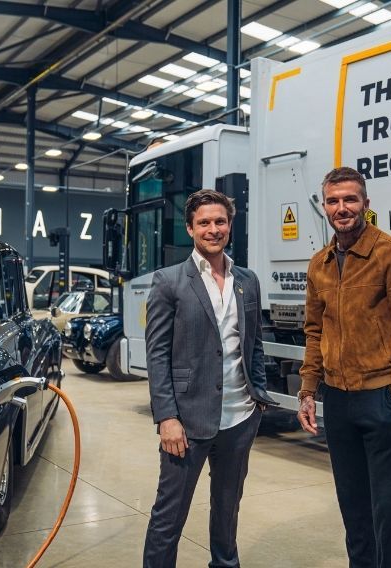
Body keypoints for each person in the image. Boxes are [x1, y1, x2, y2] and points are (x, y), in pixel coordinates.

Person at [297, 167, 391, 568]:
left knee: (388, 509)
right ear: (325, 207)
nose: (342, 208)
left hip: (381, 399)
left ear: (366, 204)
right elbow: (314, 331)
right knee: (353, 506)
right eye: (333, 201)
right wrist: (308, 390)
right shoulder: (320, 264)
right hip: (338, 402)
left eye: (350, 199)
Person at [143, 189, 278, 568]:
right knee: (169, 515)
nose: (213, 229)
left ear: (230, 226)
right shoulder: (169, 281)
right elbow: (157, 355)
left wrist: (258, 397)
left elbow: (253, 343)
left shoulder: (247, 280)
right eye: (204, 222)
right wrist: (167, 417)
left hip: (240, 418)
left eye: (220, 221)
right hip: (187, 422)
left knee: (227, 509)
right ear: (190, 228)